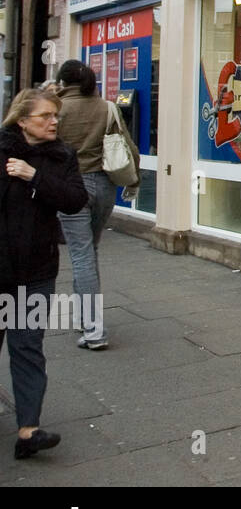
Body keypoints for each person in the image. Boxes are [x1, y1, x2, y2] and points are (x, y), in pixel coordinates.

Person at [1, 88, 89, 458]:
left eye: (56, 116)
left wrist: (34, 176)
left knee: (28, 348)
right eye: (45, 116)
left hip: (36, 270)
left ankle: (28, 430)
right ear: (23, 121)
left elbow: (74, 199)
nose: (54, 122)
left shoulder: (61, 156)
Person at [54, 59, 139, 351]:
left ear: (63, 82)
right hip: (103, 186)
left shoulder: (56, 110)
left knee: (81, 254)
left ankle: (93, 330)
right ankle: (84, 318)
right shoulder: (107, 107)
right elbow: (128, 147)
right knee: (90, 251)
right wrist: (133, 181)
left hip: (71, 187)